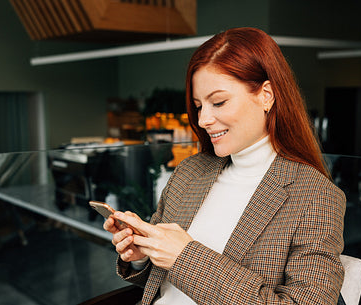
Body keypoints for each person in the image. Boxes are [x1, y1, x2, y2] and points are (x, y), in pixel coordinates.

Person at [104, 27, 346, 305]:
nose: (204, 119)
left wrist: (184, 257)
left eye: (218, 102)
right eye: (198, 106)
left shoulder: (315, 197)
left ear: (266, 95)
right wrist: (142, 257)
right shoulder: (189, 172)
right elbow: (163, 286)